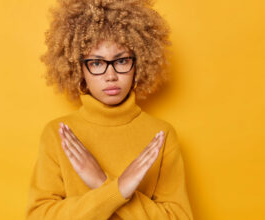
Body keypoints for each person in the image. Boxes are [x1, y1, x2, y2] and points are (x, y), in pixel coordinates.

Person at [26, 0, 194, 219]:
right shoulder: (58, 134)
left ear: (139, 63)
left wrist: (102, 183)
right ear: (79, 69)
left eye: (122, 60)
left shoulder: (161, 136)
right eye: (96, 63)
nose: (111, 75)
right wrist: (117, 190)